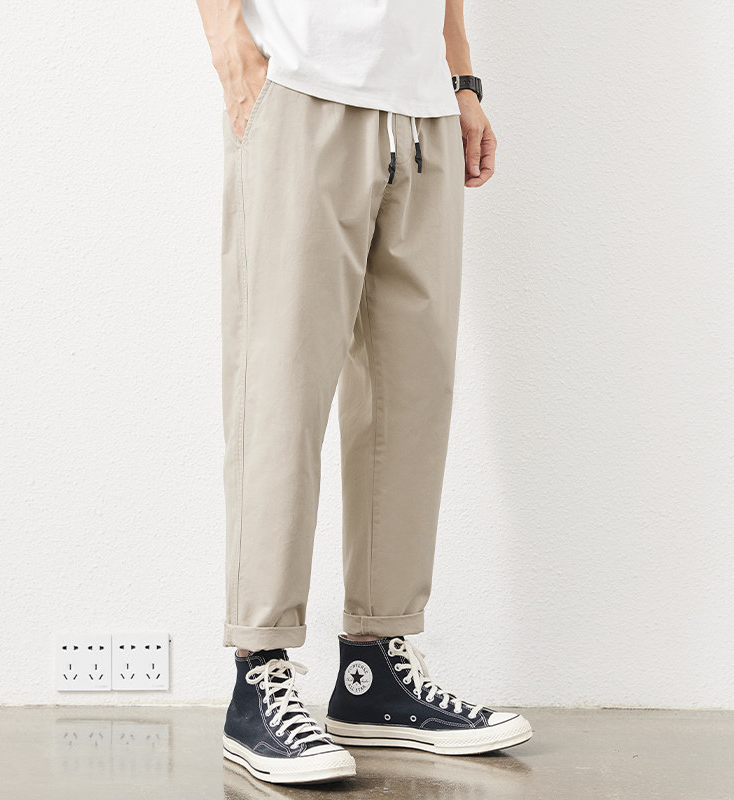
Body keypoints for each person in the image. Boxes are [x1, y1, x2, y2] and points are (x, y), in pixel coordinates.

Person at [195, 0, 532, 785]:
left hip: (422, 108)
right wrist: (229, 45)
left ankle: (374, 669)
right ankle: (258, 675)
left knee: (410, 399)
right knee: (280, 390)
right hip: (300, 86)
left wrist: (461, 78)